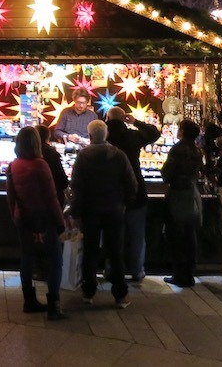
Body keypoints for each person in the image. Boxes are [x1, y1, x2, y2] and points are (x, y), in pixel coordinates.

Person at [69, 119, 137, 308]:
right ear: (106, 134)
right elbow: (131, 184)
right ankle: (120, 295)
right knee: (115, 252)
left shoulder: (83, 156)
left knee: (90, 252)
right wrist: (125, 203)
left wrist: (76, 212)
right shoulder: (119, 155)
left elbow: (77, 185)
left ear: (90, 136)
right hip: (115, 210)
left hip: (90, 210)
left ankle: (88, 292)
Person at [6, 126, 67, 320]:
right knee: (55, 260)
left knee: (26, 259)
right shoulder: (40, 165)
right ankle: (53, 306)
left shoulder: (13, 165)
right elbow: (51, 198)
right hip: (44, 219)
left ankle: (29, 301)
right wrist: (60, 222)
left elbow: (11, 197)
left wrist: (15, 217)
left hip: (23, 218)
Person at [105, 106, 161, 282]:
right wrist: (135, 122)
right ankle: (137, 270)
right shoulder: (132, 136)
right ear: (124, 119)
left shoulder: (104, 137)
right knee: (137, 234)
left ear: (107, 118)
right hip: (136, 191)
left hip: (111, 194)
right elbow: (154, 133)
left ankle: (111, 270)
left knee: (112, 235)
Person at [161, 119, 205, 288]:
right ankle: (189, 273)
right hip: (192, 193)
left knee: (176, 236)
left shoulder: (177, 149)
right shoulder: (196, 150)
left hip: (178, 194)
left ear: (182, 131)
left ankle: (179, 274)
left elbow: (167, 173)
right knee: (189, 235)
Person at [38, 125, 69, 208]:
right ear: (48, 137)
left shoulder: (26, 154)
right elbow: (63, 182)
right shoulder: (52, 154)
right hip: (52, 199)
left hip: (31, 203)